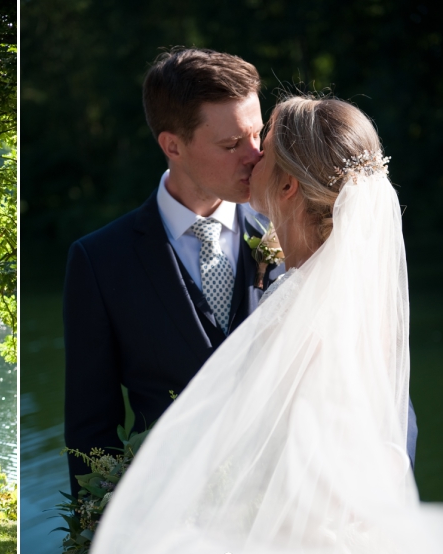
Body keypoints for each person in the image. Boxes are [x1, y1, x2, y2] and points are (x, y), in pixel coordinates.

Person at [72, 96, 443, 554]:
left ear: (288, 186)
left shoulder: (304, 304)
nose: (250, 158)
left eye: (262, 147)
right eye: (236, 144)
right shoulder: (336, 288)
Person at [62, 47, 417, 499]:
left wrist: (373, 495)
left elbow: (385, 390)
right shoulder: (98, 261)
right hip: (172, 528)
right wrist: (96, 543)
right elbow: (91, 431)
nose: (253, 155)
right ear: (172, 144)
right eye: (231, 145)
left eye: (257, 135)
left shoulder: (305, 228)